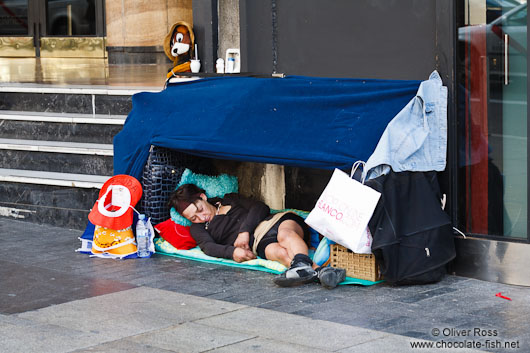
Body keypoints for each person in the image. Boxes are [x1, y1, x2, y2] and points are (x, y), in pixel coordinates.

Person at [169, 184, 345, 288]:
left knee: (285, 236)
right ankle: (320, 272)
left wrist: (244, 231)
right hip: (259, 242)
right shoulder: (198, 229)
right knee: (279, 252)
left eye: (199, 210)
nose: (201, 217)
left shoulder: (230, 199)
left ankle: (306, 269)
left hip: (275, 222)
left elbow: (260, 207)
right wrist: (232, 253)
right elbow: (208, 247)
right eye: (194, 218)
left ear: (202, 197)